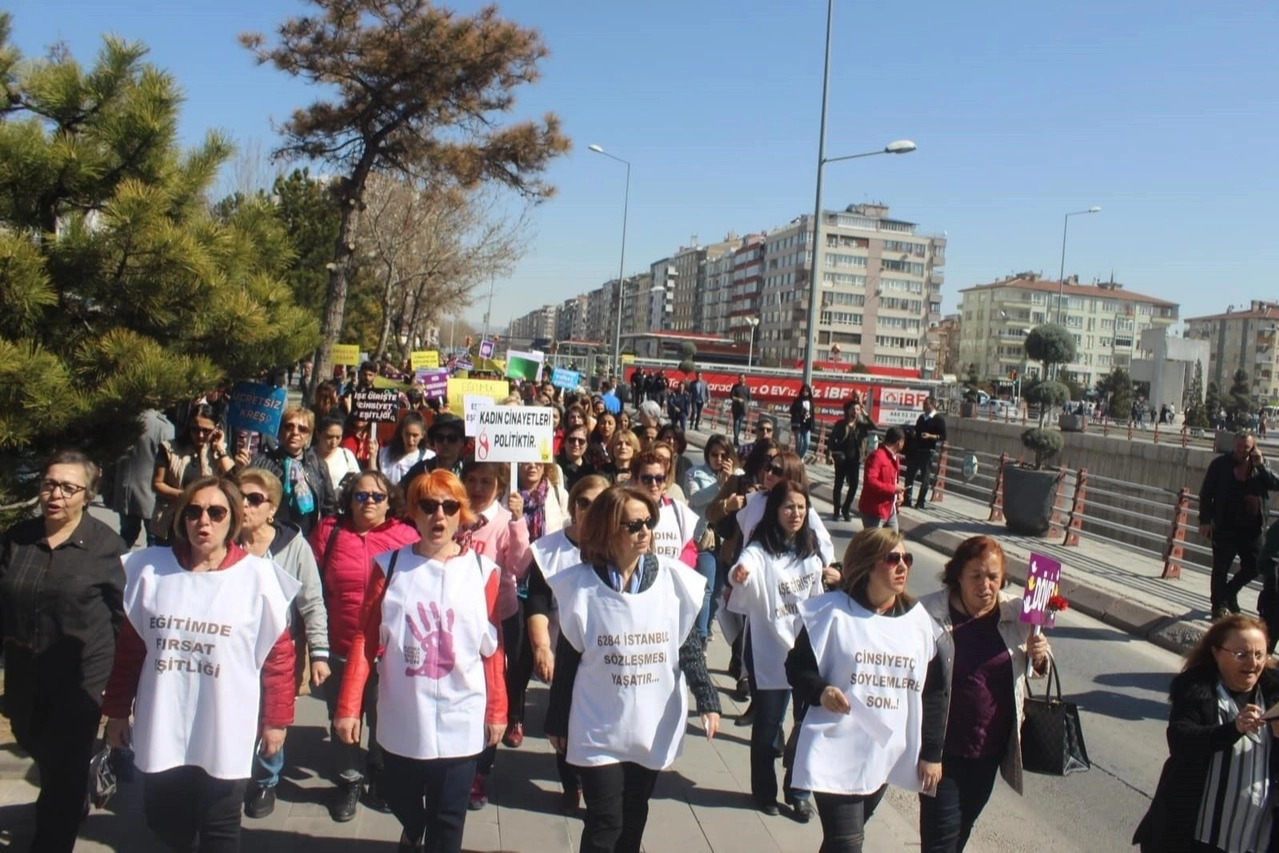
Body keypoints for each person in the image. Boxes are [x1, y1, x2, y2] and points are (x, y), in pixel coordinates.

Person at [102, 476, 299, 853]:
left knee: (221, 824)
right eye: (194, 511)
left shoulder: (259, 578)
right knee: (162, 818)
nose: (203, 521)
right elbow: (130, 651)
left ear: (233, 519)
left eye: (215, 512)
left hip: (225, 724)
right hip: (163, 720)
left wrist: (276, 721)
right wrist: (115, 711)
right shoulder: (150, 571)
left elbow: (279, 657)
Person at [333, 470, 507, 853]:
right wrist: (348, 706)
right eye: (428, 507)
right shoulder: (390, 565)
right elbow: (365, 638)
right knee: (397, 795)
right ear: (414, 512)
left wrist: (497, 709)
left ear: (461, 513)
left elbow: (493, 647)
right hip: (403, 713)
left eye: (448, 507)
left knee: (449, 819)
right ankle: (413, 826)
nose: (438, 516)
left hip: (461, 714)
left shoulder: (482, 571)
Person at [544, 486, 721, 853]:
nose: (645, 532)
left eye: (649, 523)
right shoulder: (580, 585)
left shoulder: (673, 580)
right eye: (634, 525)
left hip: (649, 724)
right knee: (604, 820)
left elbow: (687, 645)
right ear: (609, 529)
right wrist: (557, 719)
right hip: (598, 724)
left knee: (634, 813)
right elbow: (569, 659)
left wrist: (707, 697)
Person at [785, 528, 945, 853]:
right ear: (868, 565)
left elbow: (935, 692)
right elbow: (796, 667)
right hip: (834, 745)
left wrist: (931, 753)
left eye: (907, 559)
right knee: (848, 843)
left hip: (882, 753)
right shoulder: (829, 612)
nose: (902, 566)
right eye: (893, 559)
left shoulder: (919, 623)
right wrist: (821, 691)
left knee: (840, 841)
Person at [0, 452, 125, 853]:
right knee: (34, 743)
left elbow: (124, 617)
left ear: (87, 495)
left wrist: (120, 687)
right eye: (50, 484)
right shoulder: (17, 539)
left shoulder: (106, 548)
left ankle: (54, 836)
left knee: (64, 771)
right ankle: (70, 792)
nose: (55, 494)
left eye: (68, 488)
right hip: (25, 675)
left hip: (81, 679)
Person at [917, 536, 1050, 852]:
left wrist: (1041, 655)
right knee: (940, 841)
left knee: (960, 832)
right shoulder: (928, 613)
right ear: (958, 575)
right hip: (942, 753)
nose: (985, 585)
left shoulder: (1017, 613)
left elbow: (1039, 664)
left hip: (988, 752)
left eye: (993, 576)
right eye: (976, 575)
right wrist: (927, 751)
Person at [310, 472, 420, 822]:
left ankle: (378, 769)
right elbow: (310, 590)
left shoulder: (406, 537)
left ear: (390, 502)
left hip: (390, 651)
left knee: (384, 716)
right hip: (341, 646)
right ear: (348, 500)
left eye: (377, 496)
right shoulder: (329, 533)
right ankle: (348, 780)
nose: (369, 502)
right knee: (343, 717)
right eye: (360, 496)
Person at [1133, 614, 1279, 853]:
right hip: (1197, 837)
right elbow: (1181, 741)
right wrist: (1234, 728)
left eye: (1259, 654)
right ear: (1216, 653)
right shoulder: (1197, 691)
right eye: (1241, 655)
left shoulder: (1273, 696)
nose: (1252, 663)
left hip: (1255, 839)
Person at [234, 468, 332, 818]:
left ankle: (264, 780)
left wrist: (319, 654)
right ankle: (230, 775)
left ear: (272, 508)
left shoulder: (294, 547)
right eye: (239, 496)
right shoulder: (221, 540)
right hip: (230, 651)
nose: (244, 505)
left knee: (270, 717)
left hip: (278, 650)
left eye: (255, 499)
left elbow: (312, 602)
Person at [727, 482, 824, 820]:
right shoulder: (760, 549)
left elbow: (818, 599)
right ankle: (764, 791)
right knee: (769, 724)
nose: (795, 514)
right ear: (775, 512)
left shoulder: (810, 551)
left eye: (801, 507)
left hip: (805, 650)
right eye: (788, 508)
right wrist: (741, 573)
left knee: (807, 723)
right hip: (770, 647)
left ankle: (798, 792)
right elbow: (745, 563)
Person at [524, 474, 610, 814]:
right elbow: (538, 601)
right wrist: (542, 647)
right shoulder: (549, 550)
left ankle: (593, 779)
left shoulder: (617, 547)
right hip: (563, 648)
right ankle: (570, 781)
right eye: (584, 502)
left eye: (599, 503)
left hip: (603, 654)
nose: (590, 510)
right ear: (573, 506)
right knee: (564, 719)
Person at [459, 460, 530, 808]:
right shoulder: (454, 512)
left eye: (485, 481)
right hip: (456, 620)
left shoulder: (505, 521)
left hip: (497, 619)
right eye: (470, 479)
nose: (476, 487)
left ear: (500, 485)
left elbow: (518, 567)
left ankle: (480, 771)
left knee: (492, 694)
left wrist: (518, 523)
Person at [1198, 430, 1279, 618]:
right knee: (1220, 568)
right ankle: (1218, 606)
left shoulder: (1260, 465)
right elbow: (1206, 493)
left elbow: (1275, 484)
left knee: (1254, 566)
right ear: (1234, 445)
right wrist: (1205, 521)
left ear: (1254, 447)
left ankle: (1228, 593)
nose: (1242, 450)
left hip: (1252, 529)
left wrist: (1261, 466)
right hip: (1224, 526)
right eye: (1239, 446)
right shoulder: (1220, 465)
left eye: (1247, 447)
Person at [245, 406, 338, 537]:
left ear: (309, 436)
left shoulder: (318, 464)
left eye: (303, 429)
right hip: (270, 534)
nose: (295, 432)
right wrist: (238, 468)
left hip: (307, 536)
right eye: (289, 426)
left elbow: (329, 508)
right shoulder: (262, 461)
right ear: (280, 431)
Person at [685, 435, 741, 647]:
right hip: (705, 537)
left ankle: (706, 628)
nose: (718, 459)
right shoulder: (695, 473)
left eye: (723, 455)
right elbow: (696, 499)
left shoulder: (739, 476)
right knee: (706, 589)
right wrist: (720, 486)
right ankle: (700, 637)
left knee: (718, 591)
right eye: (714, 454)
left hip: (728, 540)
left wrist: (732, 480)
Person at [152, 404, 236, 544]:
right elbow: (157, 484)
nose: (200, 435)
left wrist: (220, 450)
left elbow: (234, 480)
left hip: (208, 524)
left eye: (206, 430)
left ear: (216, 429)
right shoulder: (170, 449)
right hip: (174, 523)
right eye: (195, 429)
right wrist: (184, 495)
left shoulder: (220, 451)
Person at [113, 408, 174, 549]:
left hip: (125, 492)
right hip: (152, 494)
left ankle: (118, 566)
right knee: (154, 542)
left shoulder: (124, 422)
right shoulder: (163, 427)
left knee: (126, 536)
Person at [631, 449, 700, 569]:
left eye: (659, 478)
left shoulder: (678, 509)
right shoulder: (626, 512)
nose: (653, 484)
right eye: (647, 478)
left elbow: (690, 549)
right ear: (636, 480)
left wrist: (674, 571)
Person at [829, 399, 877, 522]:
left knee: (854, 485)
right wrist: (829, 454)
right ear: (847, 410)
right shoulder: (840, 424)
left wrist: (865, 414)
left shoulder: (861, 426)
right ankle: (836, 511)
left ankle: (846, 508)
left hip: (855, 459)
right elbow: (831, 439)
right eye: (853, 409)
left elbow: (874, 426)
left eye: (857, 409)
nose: (855, 412)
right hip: (841, 459)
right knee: (838, 485)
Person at [400, 413, 468, 494]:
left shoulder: (469, 470)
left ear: (462, 442)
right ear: (433, 442)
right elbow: (398, 493)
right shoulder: (422, 469)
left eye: (451, 438)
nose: (445, 442)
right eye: (440, 438)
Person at [860, 426, 907, 532]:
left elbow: (894, 480)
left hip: (890, 510)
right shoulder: (877, 456)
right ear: (899, 442)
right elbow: (870, 482)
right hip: (874, 511)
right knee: (875, 546)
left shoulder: (895, 457)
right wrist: (892, 489)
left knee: (894, 544)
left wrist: (899, 494)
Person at [905, 397, 947, 510]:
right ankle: (907, 499)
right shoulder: (921, 418)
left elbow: (943, 436)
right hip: (917, 449)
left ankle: (920, 502)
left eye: (926, 404)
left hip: (928, 451)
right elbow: (917, 429)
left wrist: (930, 436)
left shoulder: (938, 419)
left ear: (933, 405)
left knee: (925, 477)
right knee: (910, 474)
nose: (924, 406)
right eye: (923, 404)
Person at [379, 412, 433, 486]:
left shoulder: (429, 457)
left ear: (422, 435)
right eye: (407, 434)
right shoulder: (385, 453)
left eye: (415, 435)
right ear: (401, 432)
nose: (410, 440)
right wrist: (372, 456)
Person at [317, 415, 364, 493]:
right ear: (318, 434)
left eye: (338, 437)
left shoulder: (346, 455)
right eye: (329, 437)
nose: (334, 442)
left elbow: (358, 481)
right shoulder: (308, 456)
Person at [557, 424, 597, 491]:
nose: (576, 444)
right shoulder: (555, 465)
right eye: (572, 440)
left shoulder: (591, 469)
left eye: (581, 441)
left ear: (587, 445)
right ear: (564, 443)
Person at [789, 384, 816, 460]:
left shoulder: (810, 402)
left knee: (807, 443)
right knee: (799, 443)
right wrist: (800, 410)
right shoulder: (797, 401)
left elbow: (812, 414)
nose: (805, 392)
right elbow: (792, 410)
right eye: (803, 391)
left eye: (806, 391)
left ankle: (799, 457)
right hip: (798, 424)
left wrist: (812, 424)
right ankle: (797, 459)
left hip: (806, 425)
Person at [731, 373, 751, 445]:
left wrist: (747, 405)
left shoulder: (747, 388)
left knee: (740, 423)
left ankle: (737, 436)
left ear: (745, 379)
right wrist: (738, 399)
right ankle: (736, 438)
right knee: (736, 423)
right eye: (739, 378)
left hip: (743, 409)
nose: (741, 379)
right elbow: (731, 396)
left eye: (742, 378)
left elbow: (749, 398)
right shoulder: (735, 387)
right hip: (736, 408)